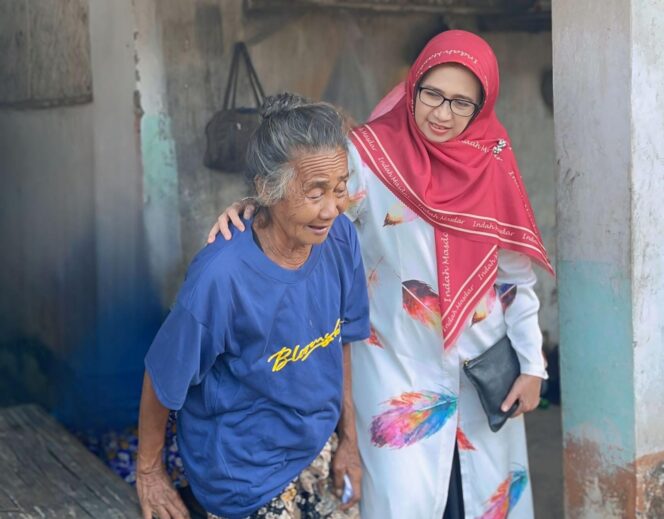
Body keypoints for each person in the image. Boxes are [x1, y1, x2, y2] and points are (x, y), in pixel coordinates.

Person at [210, 31, 554, 519]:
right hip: (397, 363)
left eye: (461, 102)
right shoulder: (368, 157)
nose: (442, 113)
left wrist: (533, 366)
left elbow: (514, 279)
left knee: (482, 498)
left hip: (483, 371)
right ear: (412, 86)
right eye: (431, 94)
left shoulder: (493, 160)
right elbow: (308, 199)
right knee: (402, 499)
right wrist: (255, 208)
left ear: (482, 106)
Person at [137, 93, 370, 519]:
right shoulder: (220, 277)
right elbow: (163, 375)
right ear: (266, 189)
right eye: (315, 192)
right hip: (243, 474)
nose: (332, 209)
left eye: (338, 189)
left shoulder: (339, 239)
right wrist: (149, 471)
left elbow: (342, 342)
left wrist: (349, 441)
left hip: (314, 446)